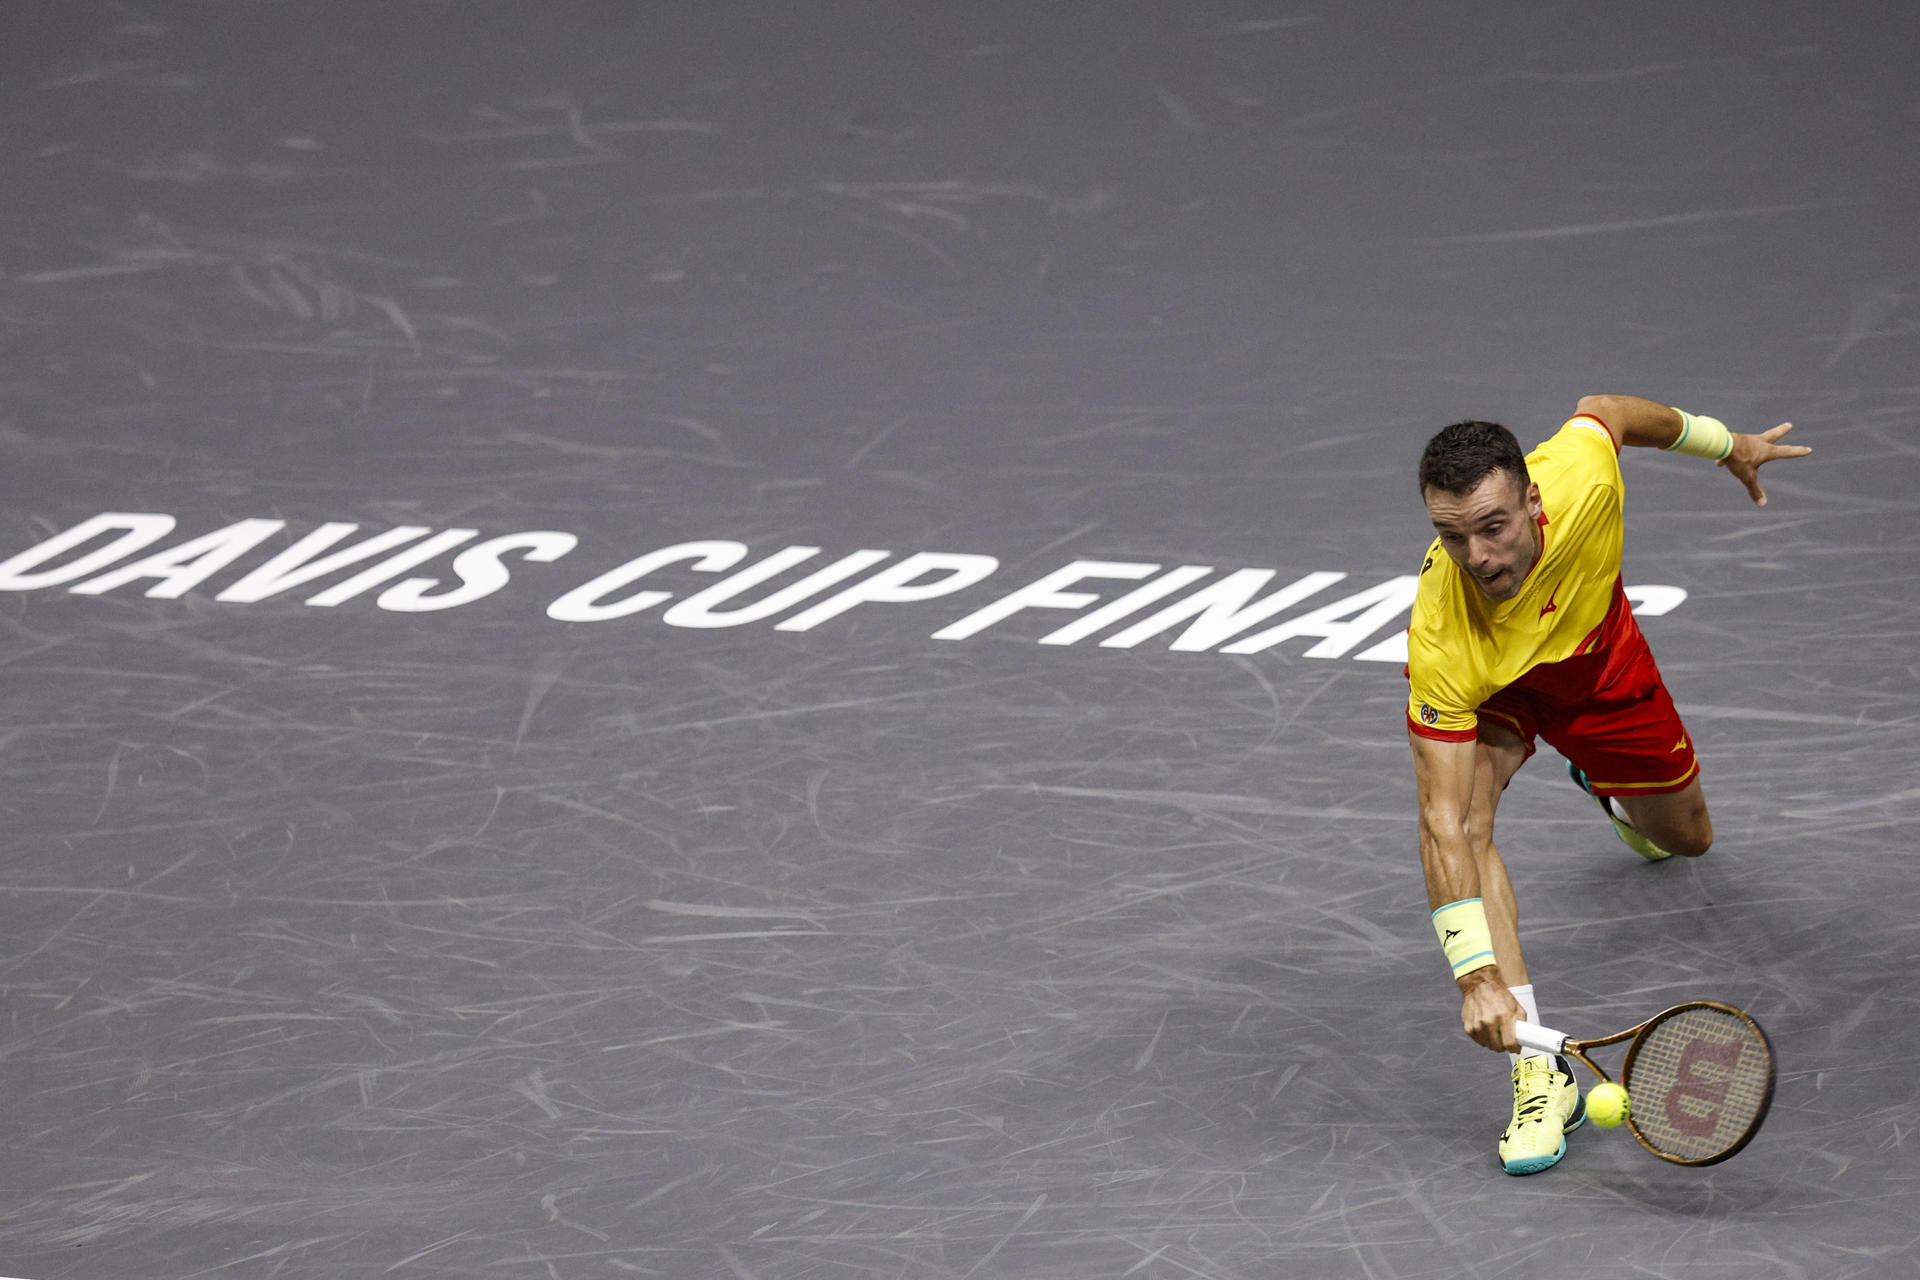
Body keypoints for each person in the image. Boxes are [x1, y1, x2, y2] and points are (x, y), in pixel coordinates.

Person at [1404, 395, 1809, 1175]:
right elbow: (1443, 823)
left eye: (1493, 526)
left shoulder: (1581, 476)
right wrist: (1477, 979)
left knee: (1688, 839)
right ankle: (1536, 1071)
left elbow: (1610, 411)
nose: (1478, 556)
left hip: (1599, 664)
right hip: (1498, 693)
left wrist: (1727, 445)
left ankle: (1607, 785)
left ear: (1532, 500)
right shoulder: (1443, 631)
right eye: (1451, 536)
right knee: (1478, 821)